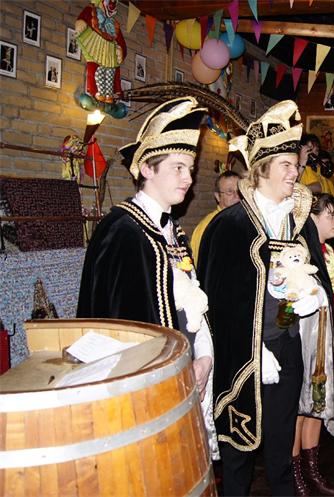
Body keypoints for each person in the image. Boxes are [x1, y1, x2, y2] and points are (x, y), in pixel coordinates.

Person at [197, 100, 334, 496]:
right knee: (238, 456)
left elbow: (313, 280)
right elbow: (218, 304)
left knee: (281, 452)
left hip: (287, 350)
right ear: (261, 170)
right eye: (287, 165)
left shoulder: (300, 224)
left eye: (296, 165)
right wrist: (255, 348)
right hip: (243, 359)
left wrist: (312, 300)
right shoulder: (229, 226)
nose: (296, 172)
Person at [77, 97, 217, 458]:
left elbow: (192, 303)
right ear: (146, 169)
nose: (188, 178)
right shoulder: (123, 231)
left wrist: (204, 356)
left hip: (187, 371)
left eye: (190, 168)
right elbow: (119, 331)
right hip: (147, 390)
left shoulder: (173, 230)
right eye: (178, 167)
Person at [292, 193, 334, 496]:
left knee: (317, 402)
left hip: (324, 337)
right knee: (299, 407)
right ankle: (295, 472)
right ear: (311, 217)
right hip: (304, 338)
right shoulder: (298, 252)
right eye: (331, 215)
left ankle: (312, 469)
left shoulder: (328, 252)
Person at [189, 170, 240, 266]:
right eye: (230, 191)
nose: (237, 196)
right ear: (217, 196)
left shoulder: (244, 221)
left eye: (239, 191)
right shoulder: (209, 226)